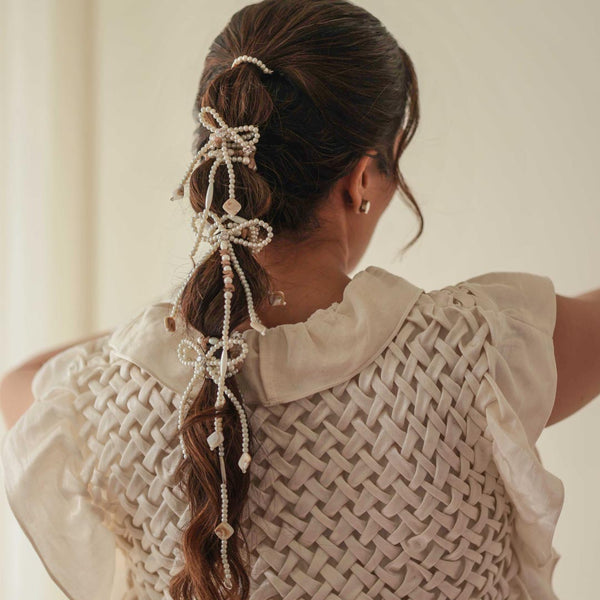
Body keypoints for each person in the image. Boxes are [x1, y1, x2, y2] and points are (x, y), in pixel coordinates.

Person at [1, 0, 597, 599]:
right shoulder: (473, 349)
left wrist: (187, 319)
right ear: (361, 180)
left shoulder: (103, 400)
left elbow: (17, 383)